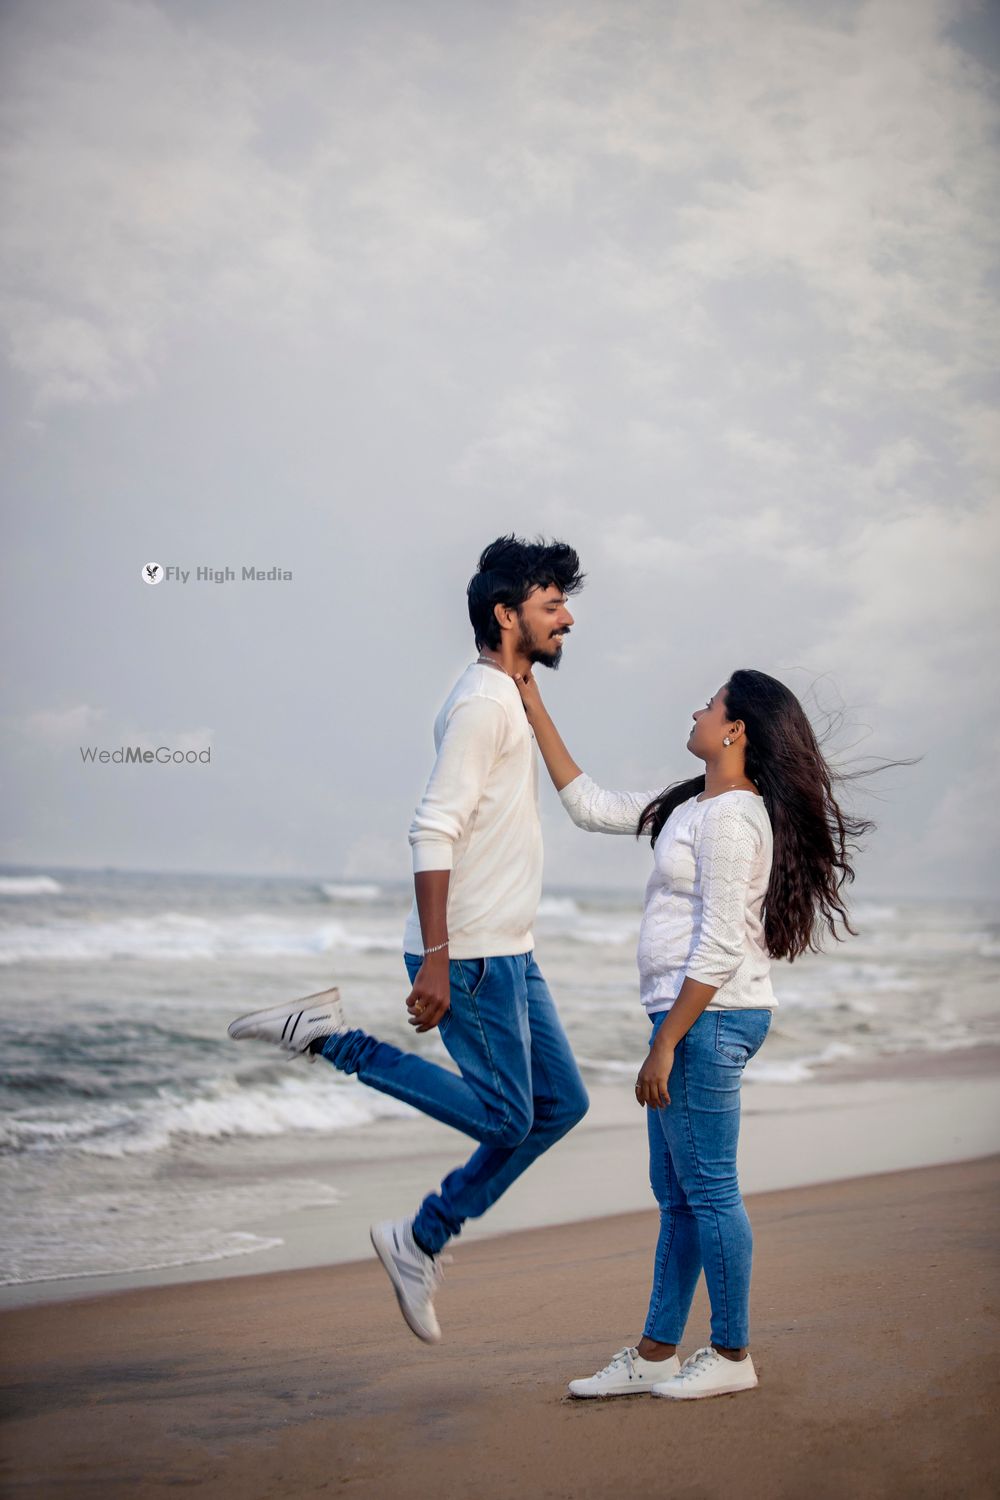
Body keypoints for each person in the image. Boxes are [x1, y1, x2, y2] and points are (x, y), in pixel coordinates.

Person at [227, 535, 589, 1345]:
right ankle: (330, 1040)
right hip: (470, 953)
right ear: (507, 615)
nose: (567, 619)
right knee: (509, 1120)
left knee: (560, 1106)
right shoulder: (482, 705)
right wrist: (436, 957)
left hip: (508, 949)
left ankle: (418, 1238)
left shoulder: (506, 694)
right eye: (552, 605)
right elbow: (432, 828)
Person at [512, 666, 878, 1400]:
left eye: (710, 705)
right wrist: (532, 701)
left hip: (708, 1018)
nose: (696, 711)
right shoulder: (692, 804)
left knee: (709, 1190)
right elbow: (590, 806)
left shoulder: (735, 819)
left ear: (735, 728)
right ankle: (655, 1354)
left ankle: (733, 1352)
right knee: (677, 1194)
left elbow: (719, 946)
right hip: (689, 1017)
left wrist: (665, 1043)